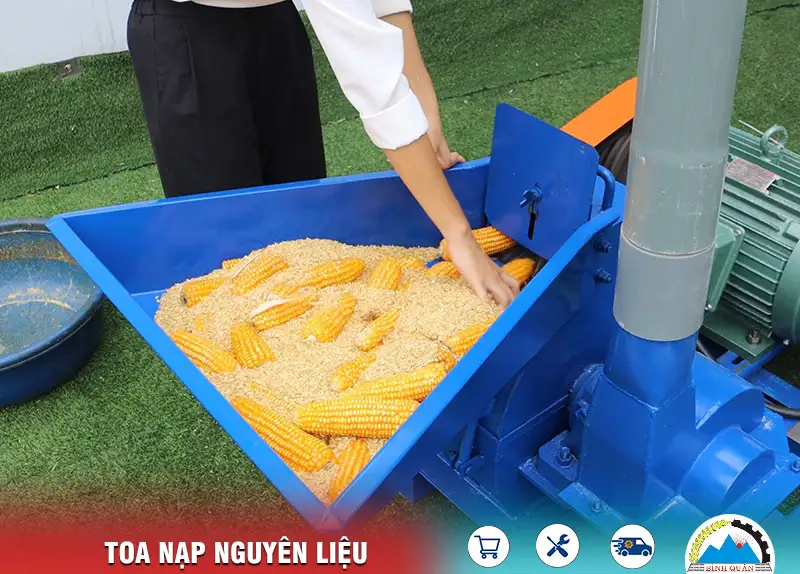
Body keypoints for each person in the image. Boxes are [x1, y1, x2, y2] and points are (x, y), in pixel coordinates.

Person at [127, 0, 519, 307]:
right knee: (227, 244)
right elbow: (374, 85)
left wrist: (426, 111)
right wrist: (459, 235)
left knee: (302, 231)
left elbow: (382, 3)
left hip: (274, 21)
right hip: (184, 27)